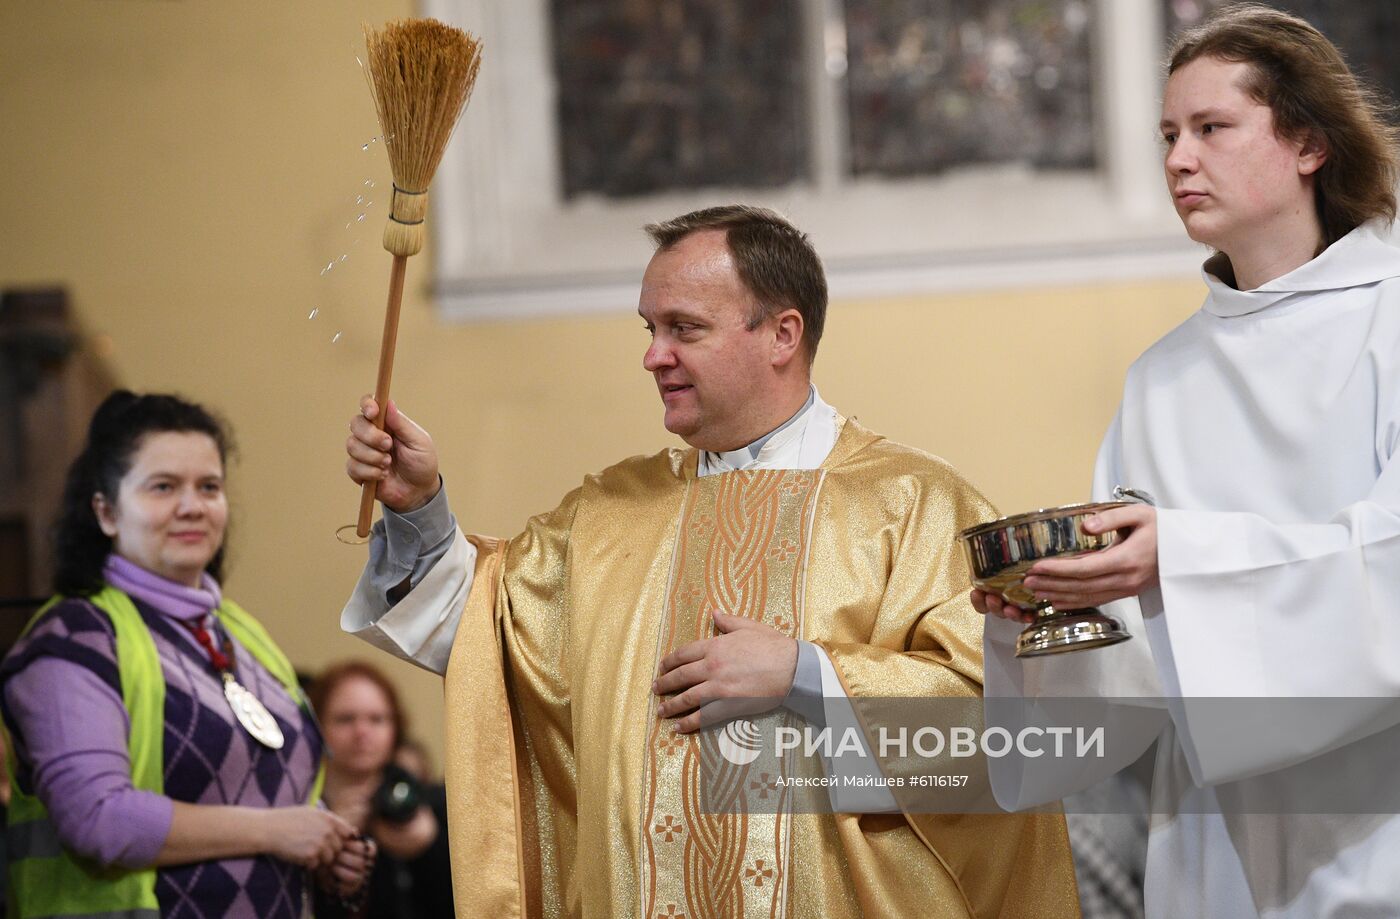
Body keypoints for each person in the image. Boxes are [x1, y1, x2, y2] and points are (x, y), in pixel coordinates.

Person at [342, 204, 1080, 917]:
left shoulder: (915, 503)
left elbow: (1004, 736)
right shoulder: (607, 514)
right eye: (650, 328)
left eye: (683, 328)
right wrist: (420, 506)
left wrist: (805, 674)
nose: (652, 355)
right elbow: (481, 640)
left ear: (782, 334)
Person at [974, 5, 1400, 918]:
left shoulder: (1391, 320)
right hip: (1214, 862)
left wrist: (1184, 556)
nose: (1176, 159)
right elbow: (1137, 670)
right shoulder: (1159, 381)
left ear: (1309, 145)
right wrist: (1046, 617)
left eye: (1212, 128)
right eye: (1169, 133)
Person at [0, 391, 371, 918]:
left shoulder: (241, 633)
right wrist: (278, 831)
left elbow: (278, 790)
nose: (192, 505)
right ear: (106, 511)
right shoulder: (74, 639)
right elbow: (98, 821)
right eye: (163, 487)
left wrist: (329, 847)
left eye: (209, 487)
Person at [308, 660, 453, 919]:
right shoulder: (302, 808)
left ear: (395, 728)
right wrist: (330, 846)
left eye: (377, 719)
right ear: (318, 725)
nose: (362, 732)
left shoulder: (433, 804)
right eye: (345, 719)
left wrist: (430, 848)